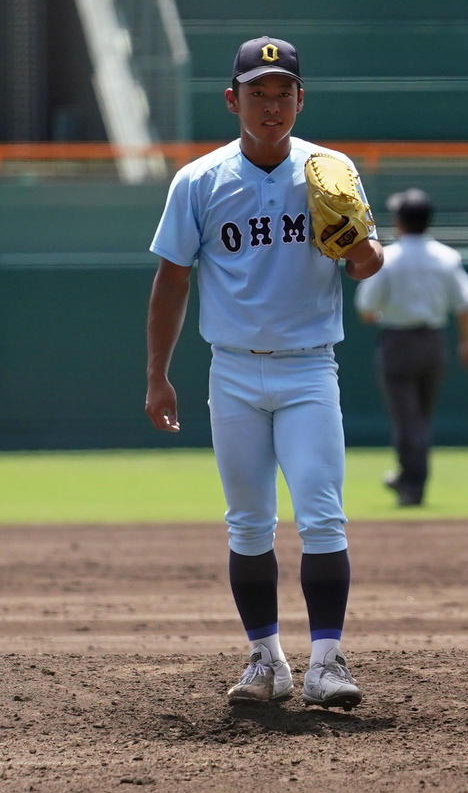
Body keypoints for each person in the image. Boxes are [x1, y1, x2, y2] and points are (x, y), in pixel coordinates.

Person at [144, 35, 383, 708]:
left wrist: (355, 245)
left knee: (322, 515)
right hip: (233, 373)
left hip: (310, 369)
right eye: (258, 94)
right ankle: (266, 659)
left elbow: (368, 268)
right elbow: (170, 282)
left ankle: (328, 662)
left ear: (301, 99)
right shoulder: (199, 181)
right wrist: (158, 374)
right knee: (248, 523)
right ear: (233, 100)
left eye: (284, 95)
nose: (272, 107)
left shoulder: (330, 170)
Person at [354, 188, 468, 507]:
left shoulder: (388, 258)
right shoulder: (446, 257)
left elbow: (366, 309)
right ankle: (409, 478)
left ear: (400, 221)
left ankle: (412, 484)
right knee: (420, 418)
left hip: (398, 341)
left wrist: (381, 314)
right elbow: (465, 305)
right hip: (432, 341)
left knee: (406, 419)